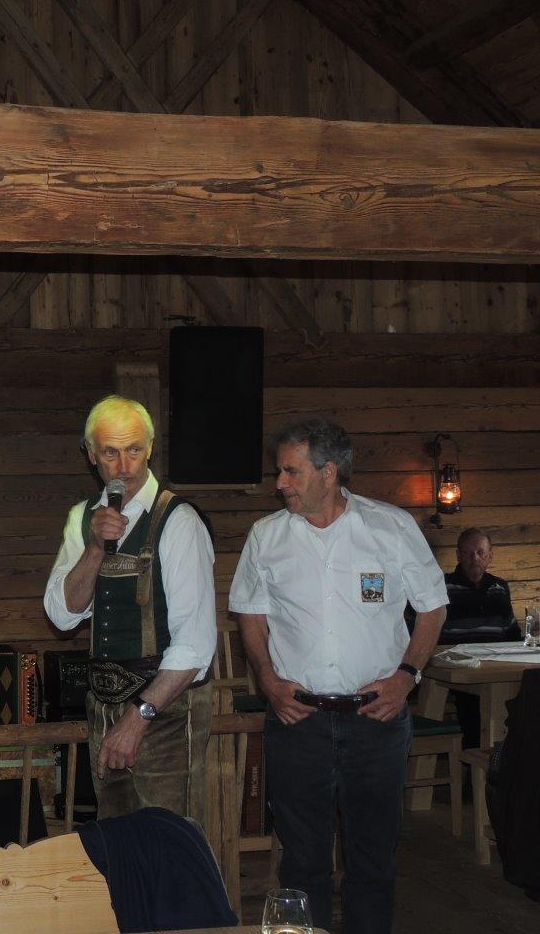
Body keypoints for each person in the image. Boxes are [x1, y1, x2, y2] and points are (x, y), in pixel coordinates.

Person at [229, 419, 447, 934]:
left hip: (377, 721)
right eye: (279, 471)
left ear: (329, 472)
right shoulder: (266, 536)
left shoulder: (391, 528)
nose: (279, 483)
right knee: (303, 862)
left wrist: (407, 677)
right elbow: (249, 614)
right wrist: (267, 680)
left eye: (291, 471)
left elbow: (433, 607)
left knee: (373, 860)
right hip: (297, 720)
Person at [43, 395, 216, 821]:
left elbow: (194, 645)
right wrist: (94, 549)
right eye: (111, 453)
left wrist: (139, 716)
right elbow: (62, 614)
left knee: (168, 839)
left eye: (134, 449)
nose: (124, 467)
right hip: (103, 706)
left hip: (166, 709)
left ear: (150, 448)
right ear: (90, 455)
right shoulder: (82, 518)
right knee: (118, 842)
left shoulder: (179, 521)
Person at [440, 527, 520, 747]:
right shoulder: (442, 586)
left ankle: (509, 759)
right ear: (458, 556)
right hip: (459, 669)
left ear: (489, 556)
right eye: (467, 553)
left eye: (480, 552)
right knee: (474, 704)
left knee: (526, 693)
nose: (474, 558)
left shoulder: (499, 587)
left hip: (497, 667)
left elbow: (511, 632)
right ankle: (477, 762)